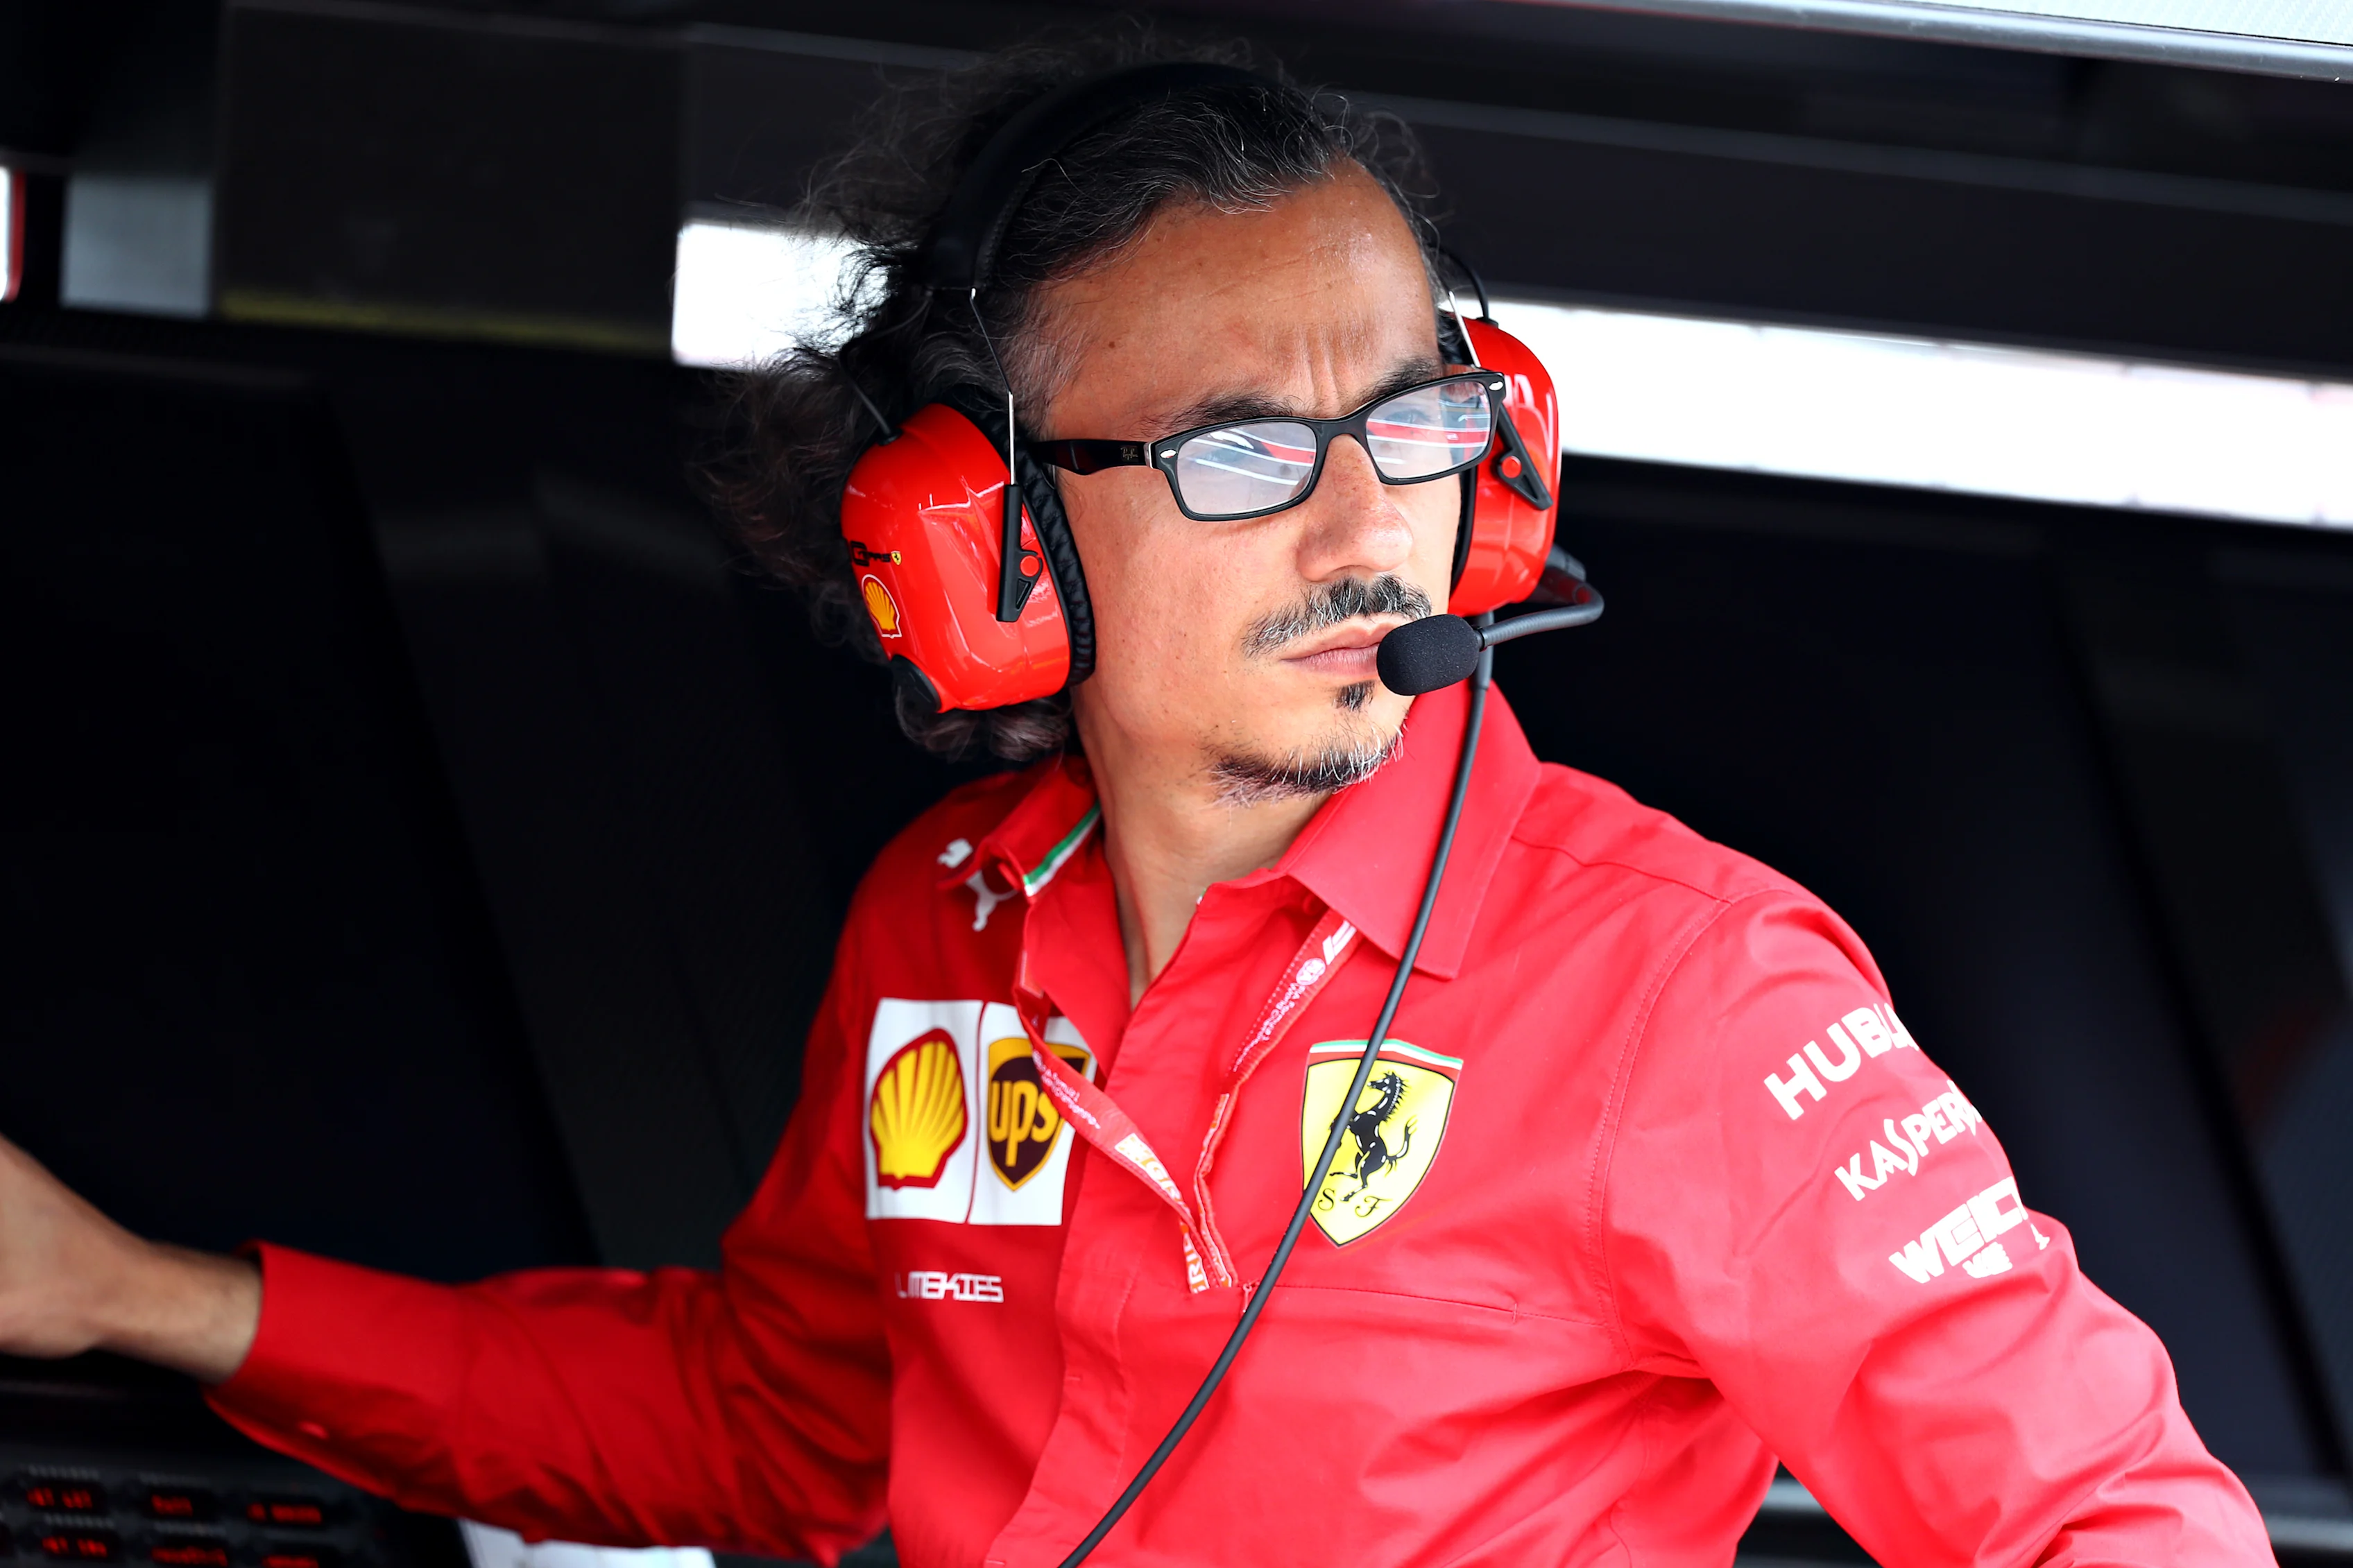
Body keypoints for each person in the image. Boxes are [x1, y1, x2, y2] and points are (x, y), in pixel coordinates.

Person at [0, 33, 2274, 1568]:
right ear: (989, 545)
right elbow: (772, 1433)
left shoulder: (1685, 991)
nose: (1362, 523)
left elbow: (2118, 1521)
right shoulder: (944, 926)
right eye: (1238, 455)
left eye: (1413, 428)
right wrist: (142, 1297)